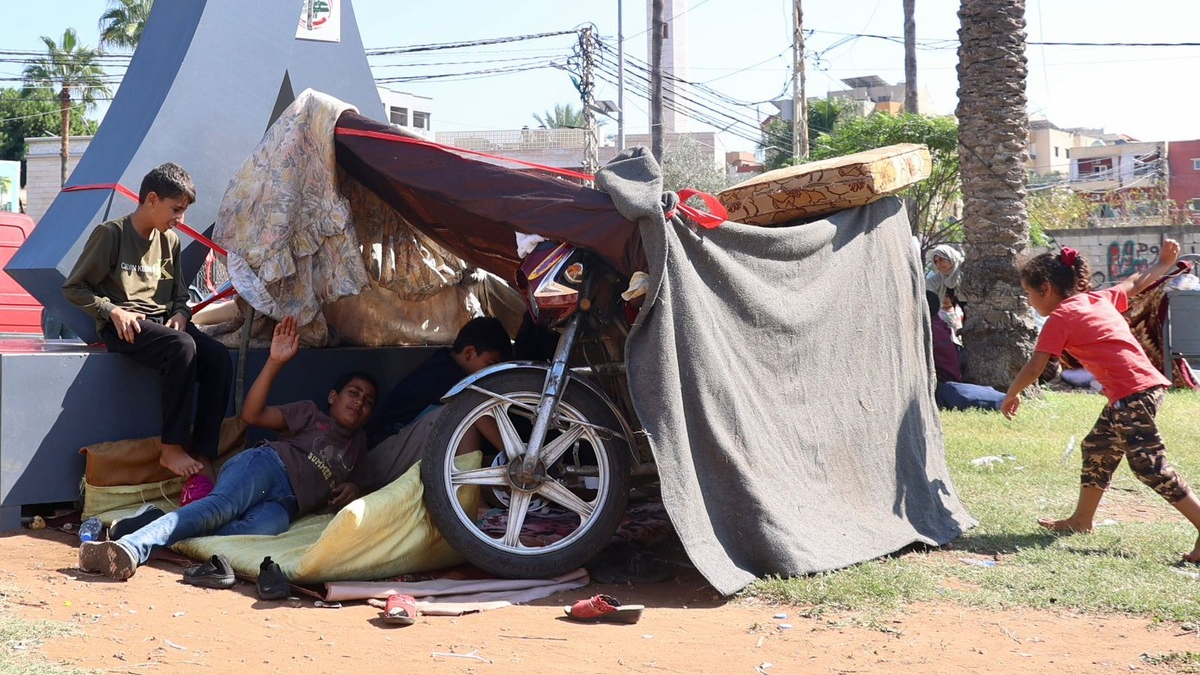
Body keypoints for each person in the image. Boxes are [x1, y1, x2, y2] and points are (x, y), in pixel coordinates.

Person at [78, 316, 378, 580]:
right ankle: (130, 547)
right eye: (354, 393)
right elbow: (252, 415)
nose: (359, 402)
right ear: (333, 396)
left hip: (286, 506)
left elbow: (368, 489)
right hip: (267, 467)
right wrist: (275, 362)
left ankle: (152, 522)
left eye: (367, 401)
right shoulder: (312, 414)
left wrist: (353, 487)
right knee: (218, 509)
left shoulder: (360, 447)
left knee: (248, 531)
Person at [1001, 241, 1200, 562]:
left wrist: (1012, 392)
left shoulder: (1060, 318)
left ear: (1046, 288)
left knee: (1149, 467)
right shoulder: (1097, 299)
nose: (1028, 300)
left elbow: (1035, 365)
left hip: (1133, 393)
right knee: (1097, 447)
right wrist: (1163, 262)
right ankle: (1081, 520)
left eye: (1028, 293)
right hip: (1141, 389)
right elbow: (1136, 282)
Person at [62, 163, 232, 492]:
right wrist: (112, 311)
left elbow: (181, 296)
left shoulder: (170, 242)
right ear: (151, 199)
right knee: (182, 347)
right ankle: (171, 448)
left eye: (183, 211)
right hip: (125, 325)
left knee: (218, 357)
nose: (180, 220)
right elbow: (74, 288)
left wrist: (182, 314)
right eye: (176, 209)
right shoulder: (110, 234)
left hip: (164, 325)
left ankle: (204, 452)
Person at [353, 316, 513, 494]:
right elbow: (476, 410)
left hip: (394, 456)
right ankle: (471, 502)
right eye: (489, 364)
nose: (491, 374)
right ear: (469, 353)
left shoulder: (445, 363)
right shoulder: (447, 373)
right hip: (378, 462)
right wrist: (517, 455)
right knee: (465, 411)